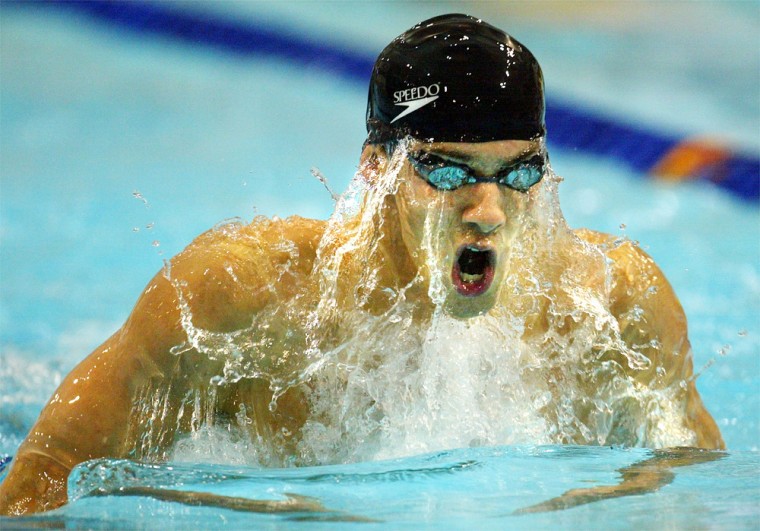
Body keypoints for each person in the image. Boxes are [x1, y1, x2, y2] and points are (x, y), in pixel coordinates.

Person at [0, 14, 723, 516]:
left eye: (519, 173)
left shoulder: (611, 306)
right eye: (448, 172)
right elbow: (41, 487)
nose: (489, 210)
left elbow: (697, 494)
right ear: (377, 169)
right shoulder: (239, 300)